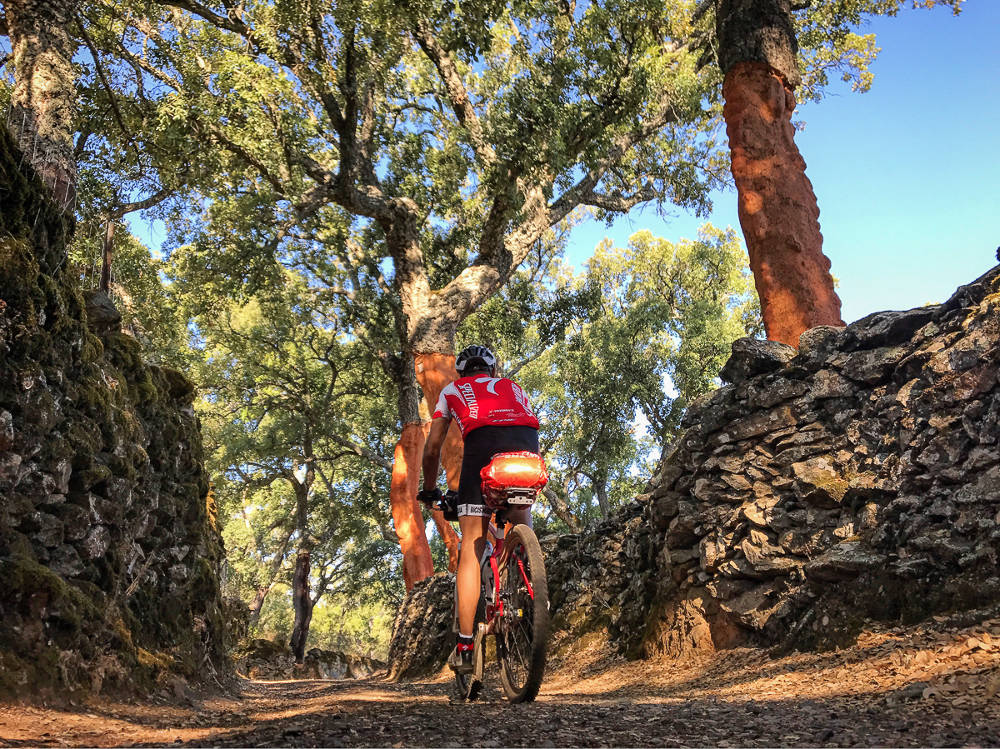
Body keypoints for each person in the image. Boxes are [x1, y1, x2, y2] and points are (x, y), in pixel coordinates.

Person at [418, 344, 540, 673]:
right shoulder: (513, 387)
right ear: (493, 371)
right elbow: (527, 425)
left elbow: (432, 448)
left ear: (462, 372)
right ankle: (528, 593)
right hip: (527, 454)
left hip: (482, 451)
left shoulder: (453, 389)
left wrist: (429, 490)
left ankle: (466, 646)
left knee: (471, 547)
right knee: (518, 521)